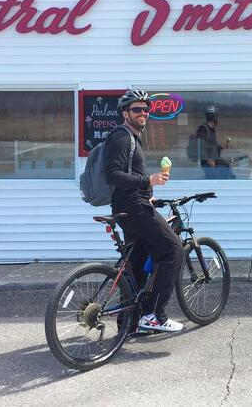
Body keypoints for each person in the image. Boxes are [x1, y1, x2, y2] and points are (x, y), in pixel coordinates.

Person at [104, 88, 185, 332]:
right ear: (125, 113)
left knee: (137, 264)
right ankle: (154, 315)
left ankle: (128, 323)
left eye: (146, 109)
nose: (143, 113)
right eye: (137, 109)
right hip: (133, 208)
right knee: (173, 251)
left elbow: (129, 176)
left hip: (133, 205)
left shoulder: (132, 138)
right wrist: (148, 182)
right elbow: (113, 175)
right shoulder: (121, 136)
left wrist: (147, 193)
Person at [196, 105, 234, 179]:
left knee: (227, 168)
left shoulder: (212, 130)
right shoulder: (203, 129)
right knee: (215, 180)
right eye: (217, 116)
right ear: (214, 117)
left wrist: (222, 146)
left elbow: (212, 147)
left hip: (215, 160)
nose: (218, 119)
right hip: (208, 162)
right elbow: (201, 146)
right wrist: (209, 159)